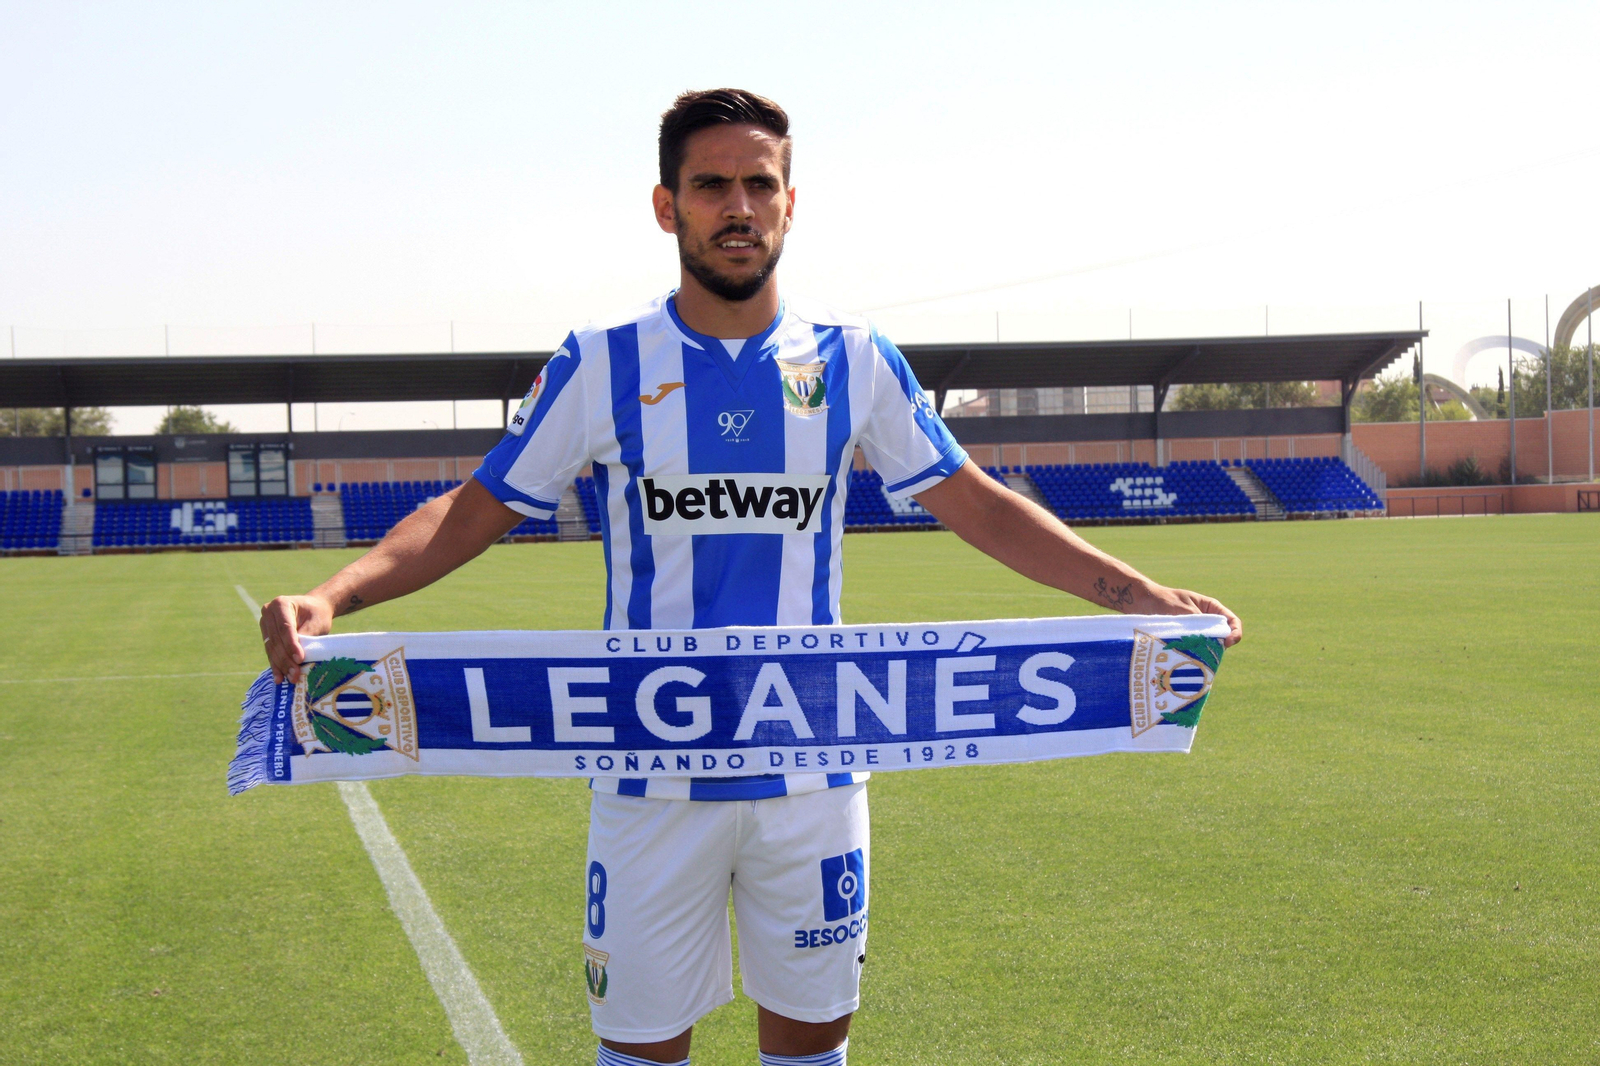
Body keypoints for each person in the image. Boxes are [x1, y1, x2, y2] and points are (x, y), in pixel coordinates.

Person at [259, 88, 1242, 1066]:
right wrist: (336, 595)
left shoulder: (853, 358)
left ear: (790, 203)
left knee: (811, 1048)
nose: (738, 207)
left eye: (759, 185)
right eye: (711, 185)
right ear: (666, 207)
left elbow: (977, 504)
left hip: (811, 771)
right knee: (640, 1051)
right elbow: (474, 510)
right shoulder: (602, 362)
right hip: (650, 775)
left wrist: (1137, 597)